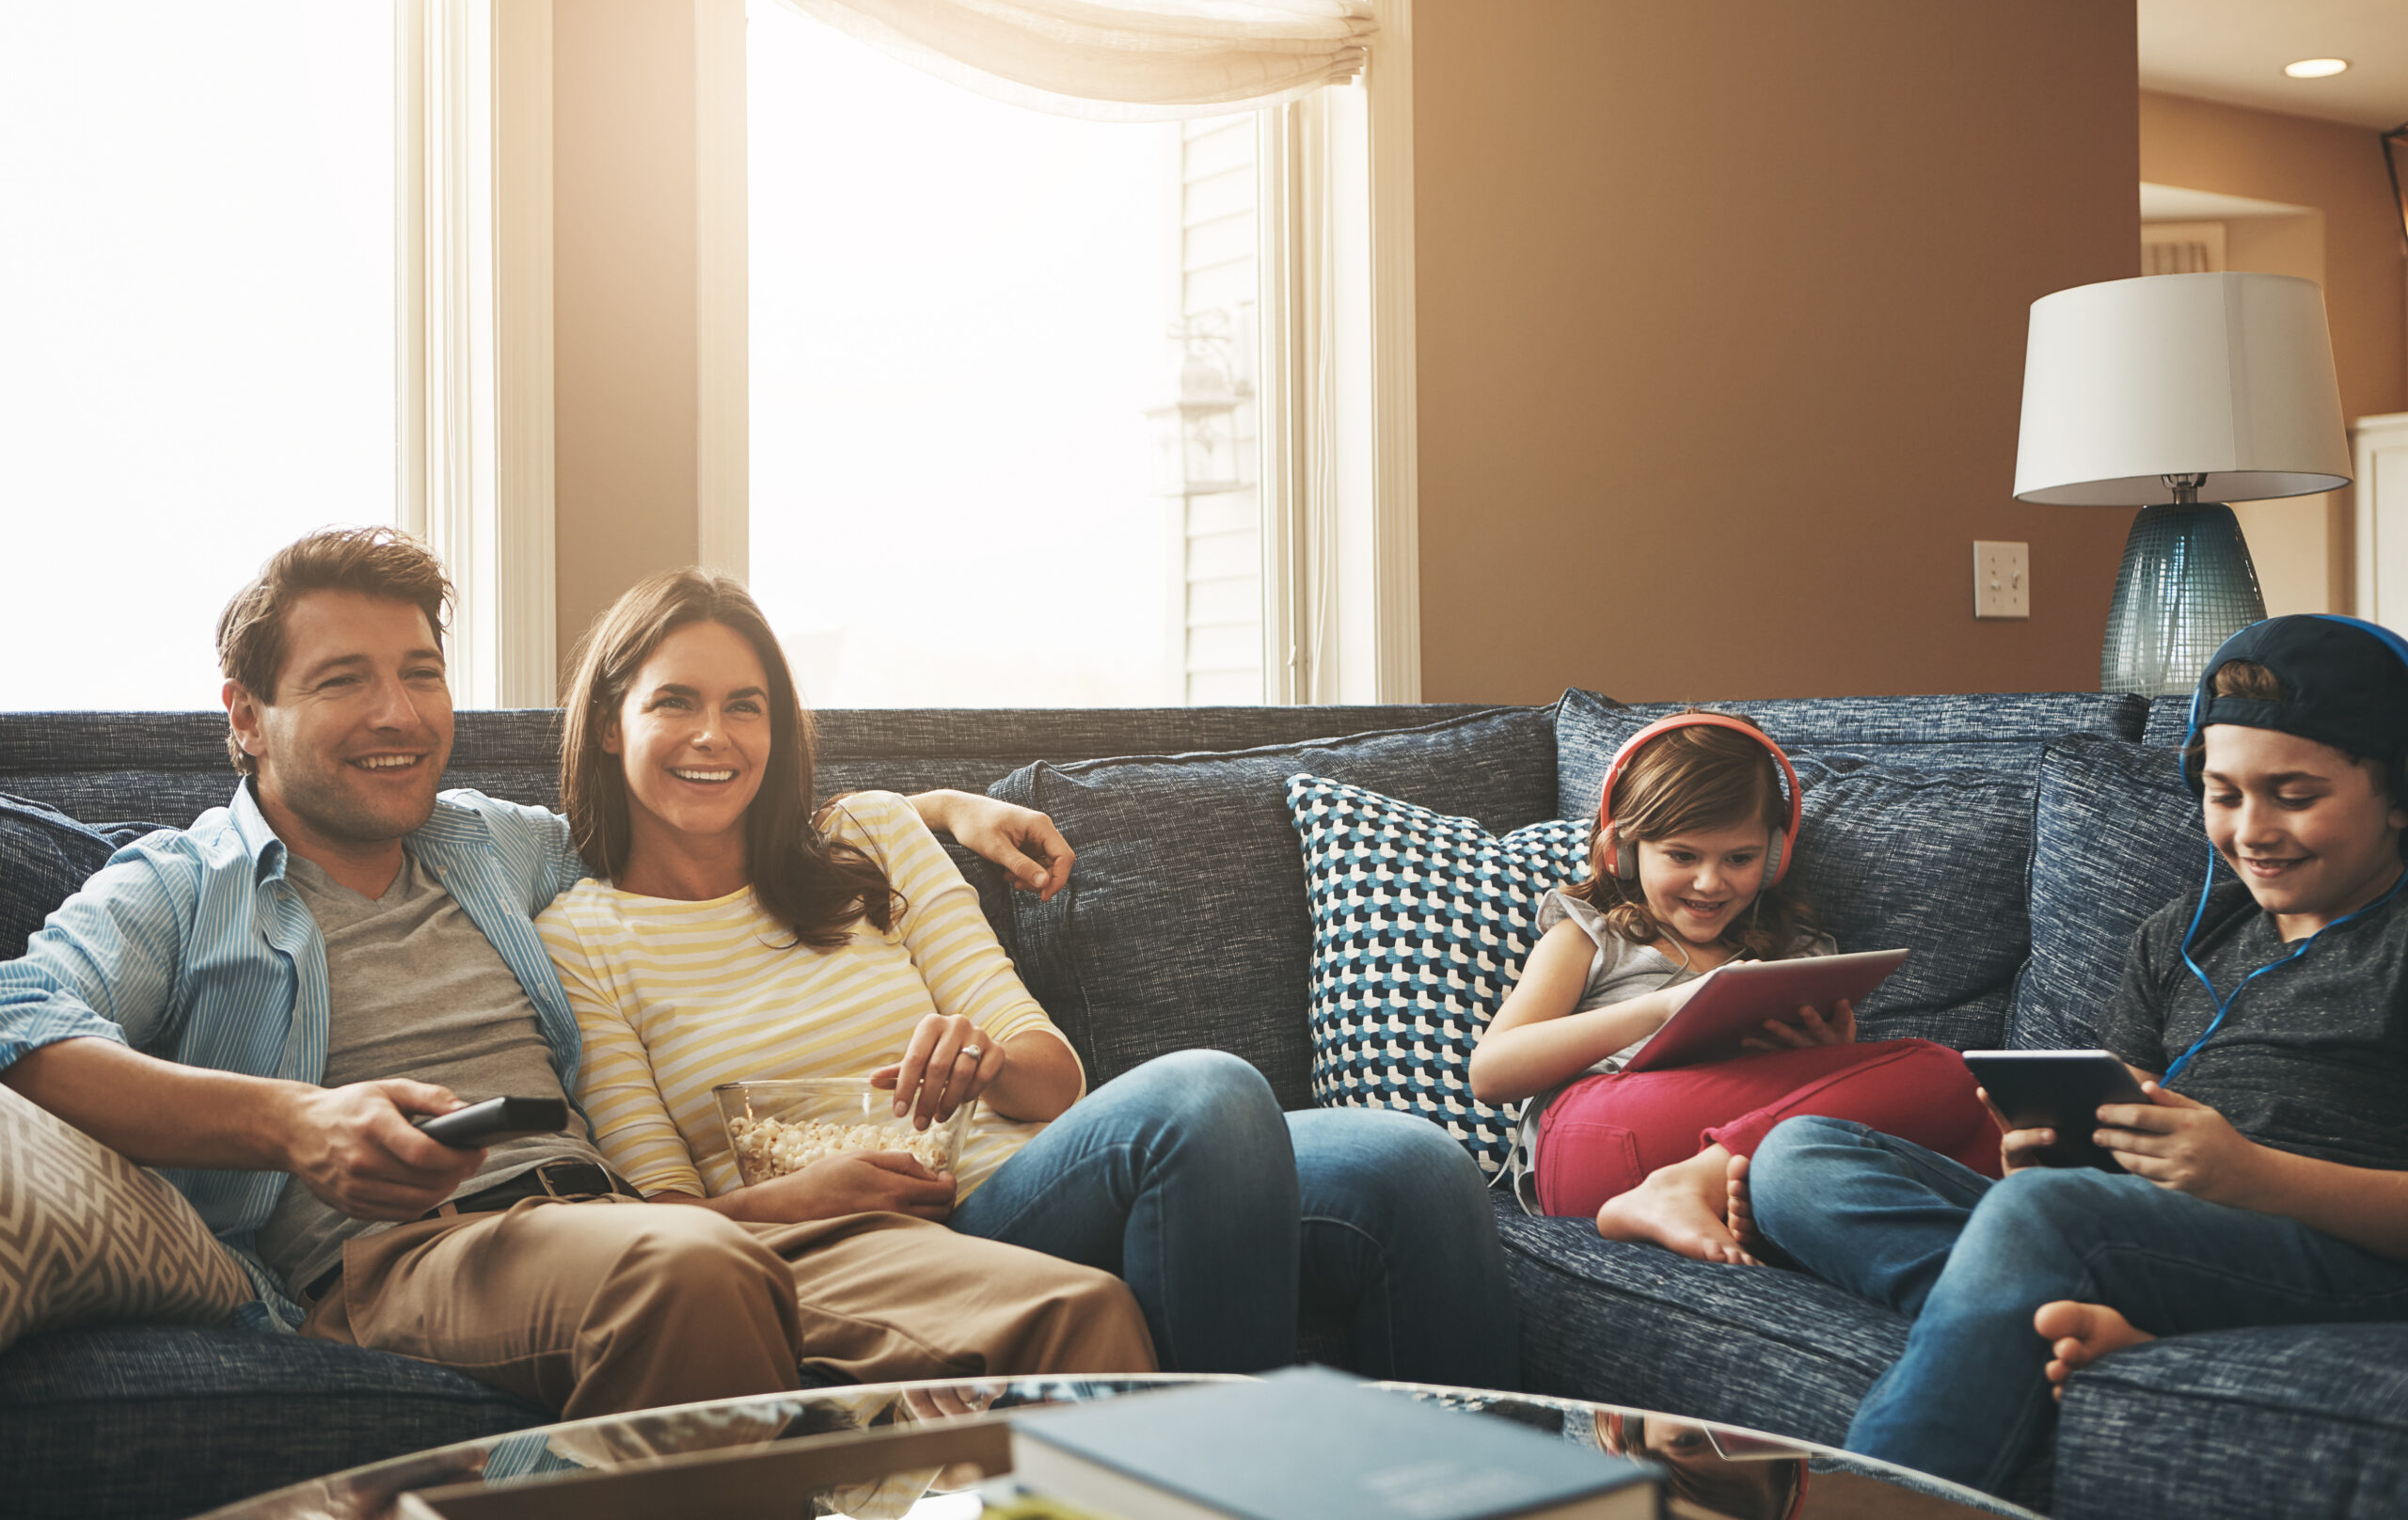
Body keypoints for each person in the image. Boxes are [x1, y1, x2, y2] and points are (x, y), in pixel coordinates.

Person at [0, 528, 1153, 1420]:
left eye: (419, 672)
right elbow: (16, 1017)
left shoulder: (488, 844)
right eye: (345, 680)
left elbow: (693, 802)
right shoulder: (177, 885)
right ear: (245, 716)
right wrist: (291, 1124)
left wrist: (931, 811)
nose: (398, 714)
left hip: (609, 1228)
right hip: (399, 1259)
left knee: (1074, 1314)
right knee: (689, 1262)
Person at [535, 566, 1520, 1385]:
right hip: (866, 1248)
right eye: (675, 702)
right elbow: (653, 1220)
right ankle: (1226, 1481)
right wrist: (795, 1199)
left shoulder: (871, 834)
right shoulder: (583, 937)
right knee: (1208, 1094)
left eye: (743, 707)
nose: (715, 737)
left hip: (1024, 1185)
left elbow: (1057, 1081)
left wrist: (988, 1061)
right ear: (613, 724)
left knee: (1415, 1169)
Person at [1738, 614, 2408, 1498]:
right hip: (2147, 1230)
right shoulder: (2182, 934)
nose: (2252, 830)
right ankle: (2065, 1297)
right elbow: (2123, 1111)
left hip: (2341, 1258)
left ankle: (1887, 1488)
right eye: (2223, 792)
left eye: (2294, 794)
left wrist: (2252, 1177)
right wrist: (2050, 1152)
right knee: (1798, 1158)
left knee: (2046, 1221)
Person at [1468, 711, 1996, 1263]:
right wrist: (1668, 1005)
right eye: (1682, 855)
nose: (1710, 883)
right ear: (1622, 850)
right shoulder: (1591, 937)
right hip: (1591, 1138)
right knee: (1938, 1068)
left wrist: (1825, 1061)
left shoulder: (1798, 954)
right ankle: (1679, 1188)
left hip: (1734, 1153)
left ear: (1773, 858)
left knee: (1965, 1108)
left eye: (1739, 859)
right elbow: (1491, 1074)